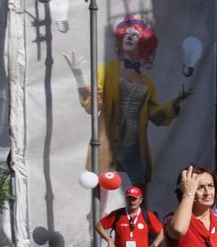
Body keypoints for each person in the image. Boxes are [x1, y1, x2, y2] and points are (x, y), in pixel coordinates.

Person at [66, 17, 191, 212]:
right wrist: (80, 78)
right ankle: (98, 234)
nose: (129, 37)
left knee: (140, 194)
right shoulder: (105, 71)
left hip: (135, 148)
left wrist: (176, 103)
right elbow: (92, 105)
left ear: (144, 45)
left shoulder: (148, 84)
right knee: (100, 193)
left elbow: (156, 116)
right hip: (108, 143)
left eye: (136, 35)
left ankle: (143, 230)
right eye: (127, 33)